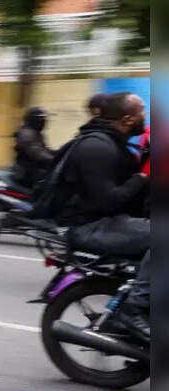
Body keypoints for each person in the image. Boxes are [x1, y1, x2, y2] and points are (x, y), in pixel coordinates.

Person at [53, 92, 150, 339]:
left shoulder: (117, 144)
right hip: (89, 226)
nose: (145, 116)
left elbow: (134, 201)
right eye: (142, 111)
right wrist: (141, 176)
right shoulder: (96, 147)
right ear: (128, 118)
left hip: (108, 221)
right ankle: (133, 309)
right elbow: (108, 200)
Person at [10, 106, 55, 189]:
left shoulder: (36, 133)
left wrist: (60, 153)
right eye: (41, 120)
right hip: (26, 174)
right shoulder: (27, 134)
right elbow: (38, 154)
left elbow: (45, 150)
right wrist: (55, 159)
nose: (44, 122)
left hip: (31, 171)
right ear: (34, 120)